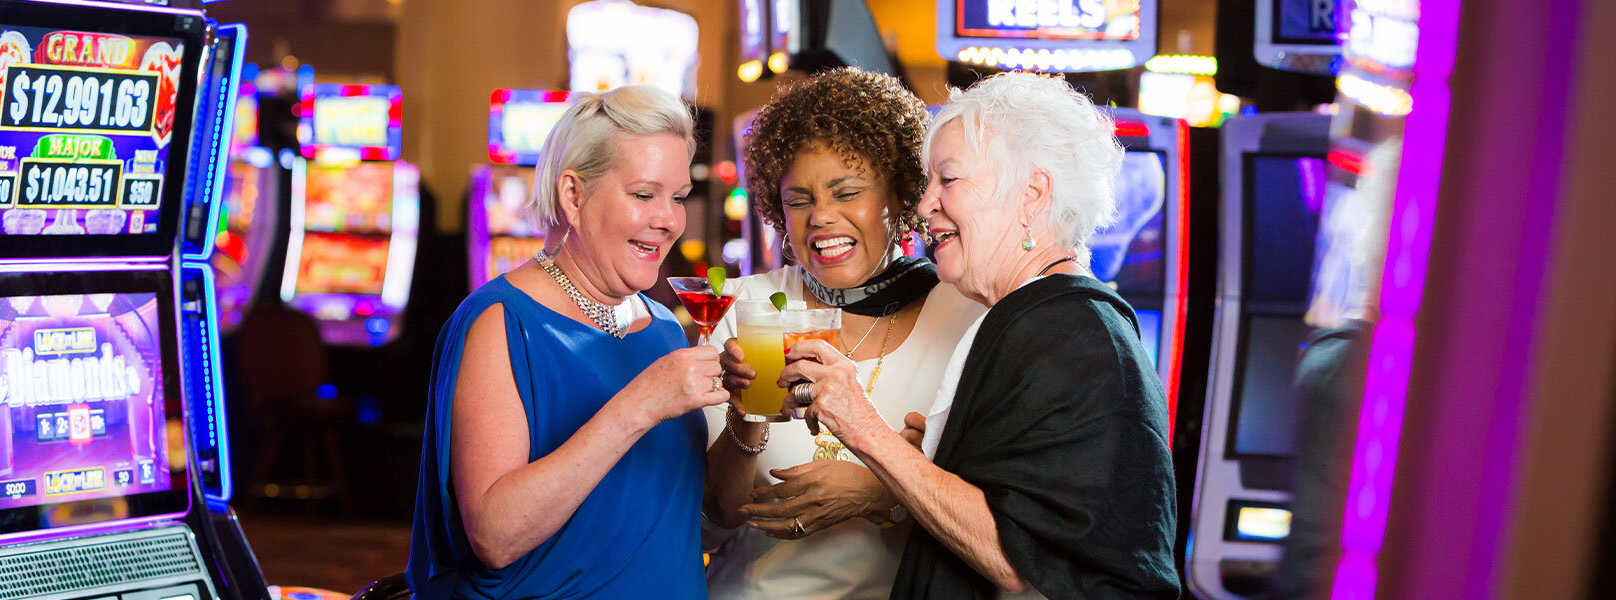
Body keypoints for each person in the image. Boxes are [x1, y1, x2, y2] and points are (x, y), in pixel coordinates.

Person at [773, 72, 1181, 599]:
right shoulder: (1028, 317)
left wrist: (864, 429)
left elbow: (1018, 559)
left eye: (949, 180)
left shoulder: (1071, 330)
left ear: (1031, 195)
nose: (923, 206)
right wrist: (933, 460)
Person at [406, 85, 728, 599]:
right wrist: (641, 404)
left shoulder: (665, 326)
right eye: (644, 194)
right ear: (573, 195)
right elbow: (496, 535)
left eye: (679, 197)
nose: (668, 219)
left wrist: (753, 421)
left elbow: (694, 513)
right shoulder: (502, 321)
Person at [704, 67, 988, 599]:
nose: (821, 218)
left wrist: (882, 493)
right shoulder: (748, 308)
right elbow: (709, 525)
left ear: (901, 194)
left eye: (847, 192)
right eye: (799, 200)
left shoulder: (967, 316)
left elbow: (1002, 535)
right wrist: (746, 419)